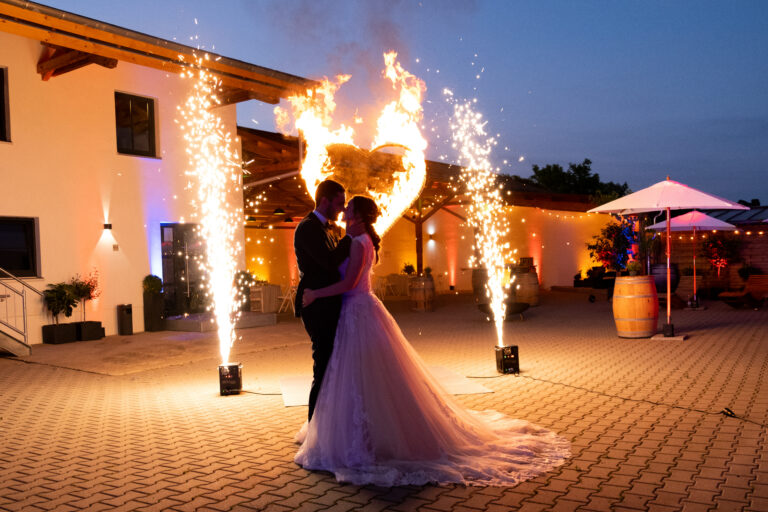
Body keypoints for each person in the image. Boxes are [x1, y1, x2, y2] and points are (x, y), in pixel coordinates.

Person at [295, 196, 570, 487]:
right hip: (358, 312)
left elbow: (349, 284)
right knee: (362, 378)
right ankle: (365, 432)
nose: (344, 210)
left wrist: (315, 294)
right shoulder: (359, 239)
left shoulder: (357, 242)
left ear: (360, 215)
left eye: (349, 208)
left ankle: (362, 437)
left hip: (356, 311)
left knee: (361, 376)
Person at [293, 179, 351, 421]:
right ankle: (314, 431)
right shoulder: (307, 228)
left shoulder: (331, 228)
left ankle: (329, 426)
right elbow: (327, 263)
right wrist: (352, 239)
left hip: (329, 301)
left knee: (331, 364)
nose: (342, 208)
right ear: (325, 200)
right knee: (324, 364)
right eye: (339, 203)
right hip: (315, 304)